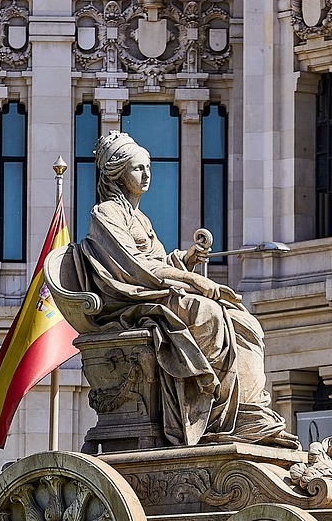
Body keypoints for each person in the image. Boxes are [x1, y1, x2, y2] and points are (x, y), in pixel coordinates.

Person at [54, 130, 298, 449]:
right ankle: (218, 417)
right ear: (116, 172)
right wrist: (193, 281)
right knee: (209, 314)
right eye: (137, 168)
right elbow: (133, 269)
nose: (146, 175)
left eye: (149, 167)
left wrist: (186, 260)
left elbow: (156, 262)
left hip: (157, 294)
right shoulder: (106, 214)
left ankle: (246, 411)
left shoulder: (139, 217)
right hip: (131, 304)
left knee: (243, 320)